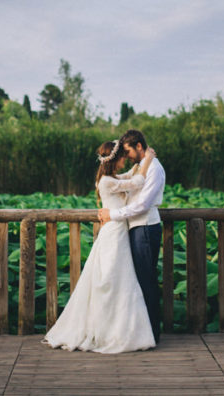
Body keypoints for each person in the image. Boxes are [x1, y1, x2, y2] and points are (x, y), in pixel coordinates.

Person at [43, 139, 156, 353]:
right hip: (114, 233)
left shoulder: (110, 179)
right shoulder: (106, 181)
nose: (125, 158)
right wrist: (148, 160)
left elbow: (128, 177)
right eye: (123, 155)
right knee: (111, 279)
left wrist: (136, 166)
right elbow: (138, 182)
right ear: (115, 159)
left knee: (121, 279)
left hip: (118, 231)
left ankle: (120, 329)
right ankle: (108, 330)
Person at [97, 129, 165, 343]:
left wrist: (112, 214)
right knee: (137, 280)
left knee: (146, 281)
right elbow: (131, 181)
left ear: (138, 146)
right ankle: (139, 331)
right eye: (122, 154)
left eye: (128, 152)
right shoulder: (140, 168)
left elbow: (142, 205)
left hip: (144, 226)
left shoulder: (154, 168)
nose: (126, 157)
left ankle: (152, 333)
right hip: (134, 228)